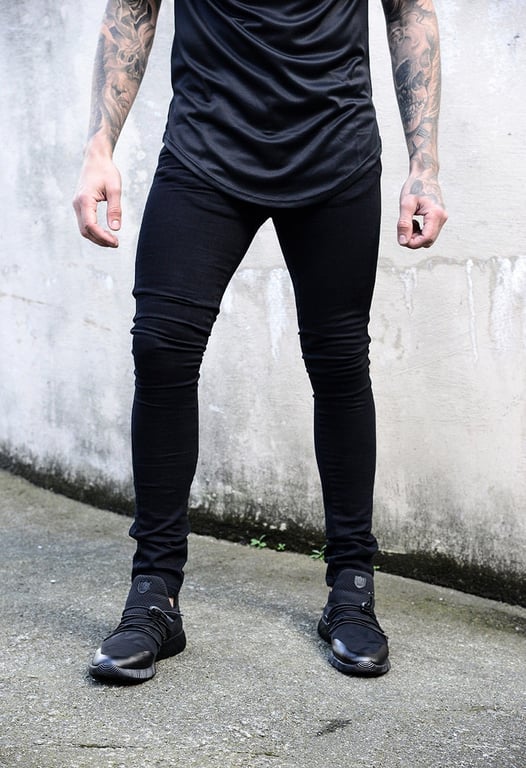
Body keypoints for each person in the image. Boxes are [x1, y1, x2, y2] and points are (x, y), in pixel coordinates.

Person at [73, 0, 447, 684]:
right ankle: (154, 595)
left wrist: (425, 163)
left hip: (334, 147)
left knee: (338, 360)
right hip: (206, 144)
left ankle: (351, 589)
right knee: (161, 347)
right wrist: (100, 147)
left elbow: (409, 12)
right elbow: (133, 8)